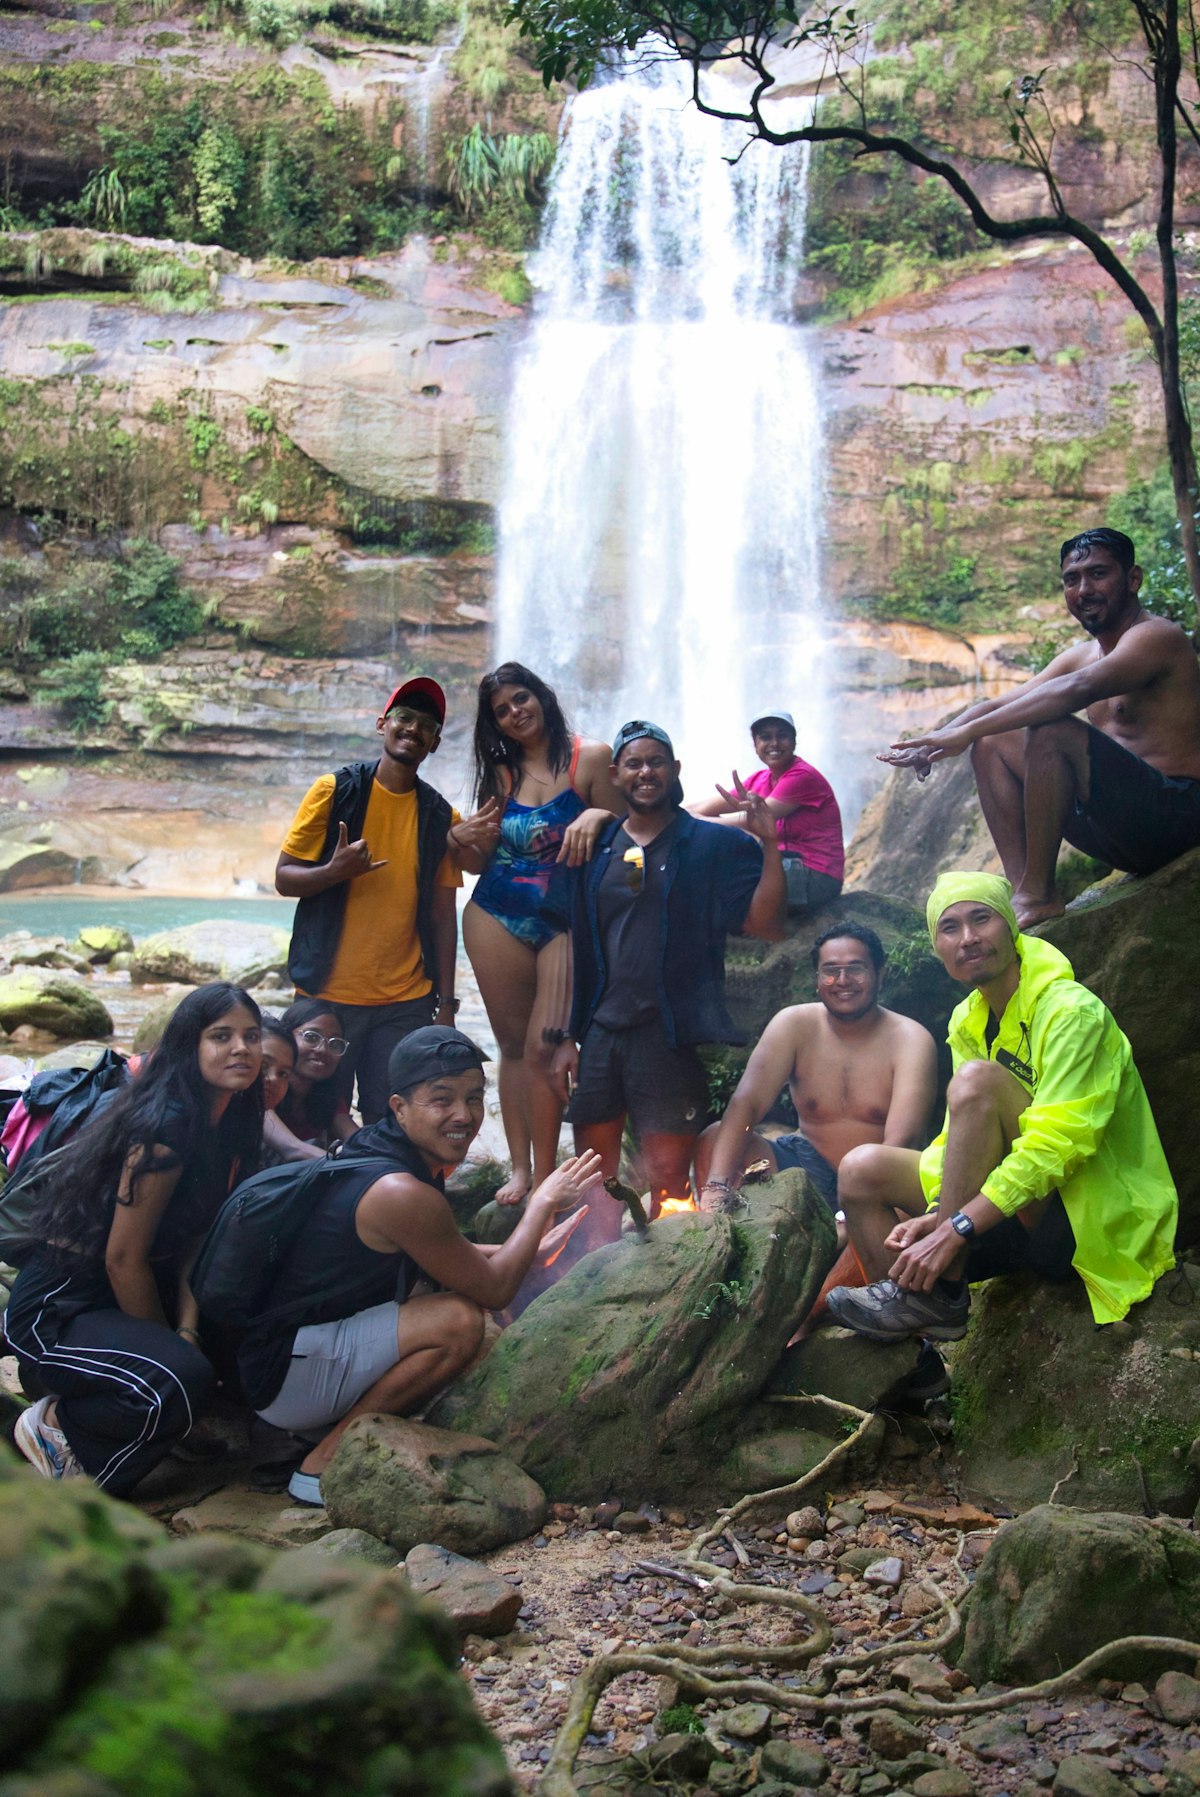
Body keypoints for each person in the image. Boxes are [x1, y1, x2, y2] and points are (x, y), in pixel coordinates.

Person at [233, 1027, 602, 1507]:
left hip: (284, 1356)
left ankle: (330, 1422)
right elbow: (494, 1291)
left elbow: (445, 1249)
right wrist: (540, 1205)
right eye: (441, 1099)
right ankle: (324, 1461)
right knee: (459, 1321)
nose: (464, 1116)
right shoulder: (398, 1190)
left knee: (446, 1300)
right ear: (399, 1106)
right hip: (287, 1376)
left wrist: (527, 1246)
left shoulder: (383, 1150)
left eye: (474, 1098)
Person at [825, 872, 1177, 1350]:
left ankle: (942, 1288)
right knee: (861, 1168)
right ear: (937, 948)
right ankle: (917, 1354)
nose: (967, 938)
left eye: (981, 919)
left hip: (1083, 1218)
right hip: (1010, 1214)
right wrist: (936, 1213)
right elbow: (959, 1140)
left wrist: (957, 1227)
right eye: (949, 928)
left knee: (978, 1082)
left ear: (1010, 926)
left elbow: (1058, 1145)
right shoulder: (967, 1020)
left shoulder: (1070, 1011)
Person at [3, 983, 264, 1492]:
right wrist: (173, 1351)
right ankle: (55, 1429)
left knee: (221, 1339)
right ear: (190, 1047)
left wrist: (187, 1330)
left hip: (119, 1299)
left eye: (251, 1036)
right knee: (180, 1379)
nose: (242, 1048)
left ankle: (156, 1416)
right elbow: (123, 1259)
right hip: (61, 1306)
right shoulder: (164, 1129)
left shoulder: (227, 1122)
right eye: (222, 1036)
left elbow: (195, 1242)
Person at [546, 720, 787, 1259]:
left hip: (668, 1035)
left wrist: (769, 846)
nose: (645, 772)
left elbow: (765, 924)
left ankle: (664, 1279)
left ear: (675, 771)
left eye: (656, 761)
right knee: (594, 1177)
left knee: (669, 1181)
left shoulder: (714, 844)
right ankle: (593, 1281)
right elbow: (575, 944)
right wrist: (567, 1035)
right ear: (615, 775)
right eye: (633, 763)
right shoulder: (596, 844)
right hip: (602, 1033)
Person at [879, 529, 1200, 929]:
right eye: (1072, 579)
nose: (1084, 589)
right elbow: (998, 705)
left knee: (1051, 730)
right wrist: (940, 741)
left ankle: (1036, 893)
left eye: (1098, 574)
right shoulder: (1083, 654)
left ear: (1133, 579)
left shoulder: (1156, 637)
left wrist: (960, 735)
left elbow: (1075, 690)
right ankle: (1025, 892)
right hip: (1118, 828)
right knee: (991, 738)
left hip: (1177, 817)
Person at [276, 677, 487, 1126]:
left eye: (425, 725)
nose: (413, 729)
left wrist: (447, 1003)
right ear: (382, 725)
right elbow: (284, 877)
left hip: (404, 998)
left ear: (433, 743)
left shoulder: (438, 816)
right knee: (310, 1115)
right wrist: (334, 873)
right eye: (404, 718)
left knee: (391, 1117)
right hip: (325, 995)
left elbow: (441, 915)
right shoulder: (335, 791)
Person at [461, 662, 624, 1206]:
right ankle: (522, 1171)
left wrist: (596, 815)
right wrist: (458, 838)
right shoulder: (501, 775)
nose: (515, 713)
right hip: (494, 913)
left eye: (521, 699)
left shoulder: (592, 758)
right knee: (510, 1047)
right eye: (502, 710)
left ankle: (550, 1178)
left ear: (541, 697)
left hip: (564, 919)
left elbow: (631, 830)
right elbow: (479, 855)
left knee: (544, 1047)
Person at [694, 923, 937, 1216]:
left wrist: (852, 1217)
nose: (842, 980)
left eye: (856, 969)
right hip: (805, 1161)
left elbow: (903, 1141)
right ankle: (722, 1232)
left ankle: (850, 1248)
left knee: (897, 1203)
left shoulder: (910, 1039)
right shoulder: (794, 1024)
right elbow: (748, 1102)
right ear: (817, 979)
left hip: (875, 1176)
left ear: (880, 973)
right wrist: (717, 1186)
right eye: (831, 970)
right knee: (714, 1138)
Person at [690, 708, 845, 913]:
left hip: (815, 877)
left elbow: (752, 821)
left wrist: (691, 824)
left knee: (725, 856)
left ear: (794, 741)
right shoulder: (760, 779)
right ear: (755, 745)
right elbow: (702, 808)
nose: (774, 743)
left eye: (782, 736)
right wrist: (669, 815)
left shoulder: (802, 776)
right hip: (784, 865)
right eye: (765, 737)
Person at [269, 997, 355, 1154]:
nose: (322, 1049)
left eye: (335, 1044)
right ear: (285, 1037)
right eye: (311, 1037)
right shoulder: (265, 1088)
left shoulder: (327, 1096)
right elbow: (294, 1150)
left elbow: (358, 1140)